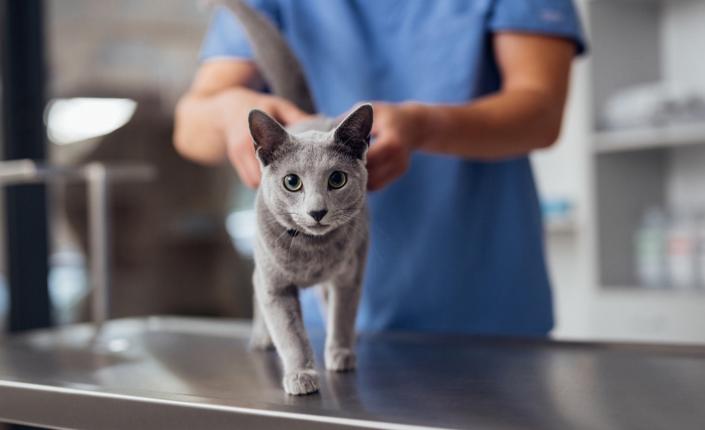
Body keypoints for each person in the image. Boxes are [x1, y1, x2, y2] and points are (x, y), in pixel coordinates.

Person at [174, 0, 586, 336]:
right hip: (317, 314)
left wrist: (427, 127)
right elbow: (191, 128)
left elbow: (542, 111)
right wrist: (232, 116)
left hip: (482, 306)